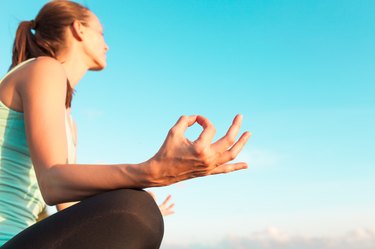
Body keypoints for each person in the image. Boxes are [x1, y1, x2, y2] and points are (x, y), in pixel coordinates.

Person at [0, 0, 251, 248]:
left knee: (137, 212)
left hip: (22, 237)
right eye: (101, 33)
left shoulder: (68, 120)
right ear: (79, 29)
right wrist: (152, 172)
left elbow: (65, 203)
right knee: (136, 210)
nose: (107, 45)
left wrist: (118, 221)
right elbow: (53, 183)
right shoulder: (44, 68)